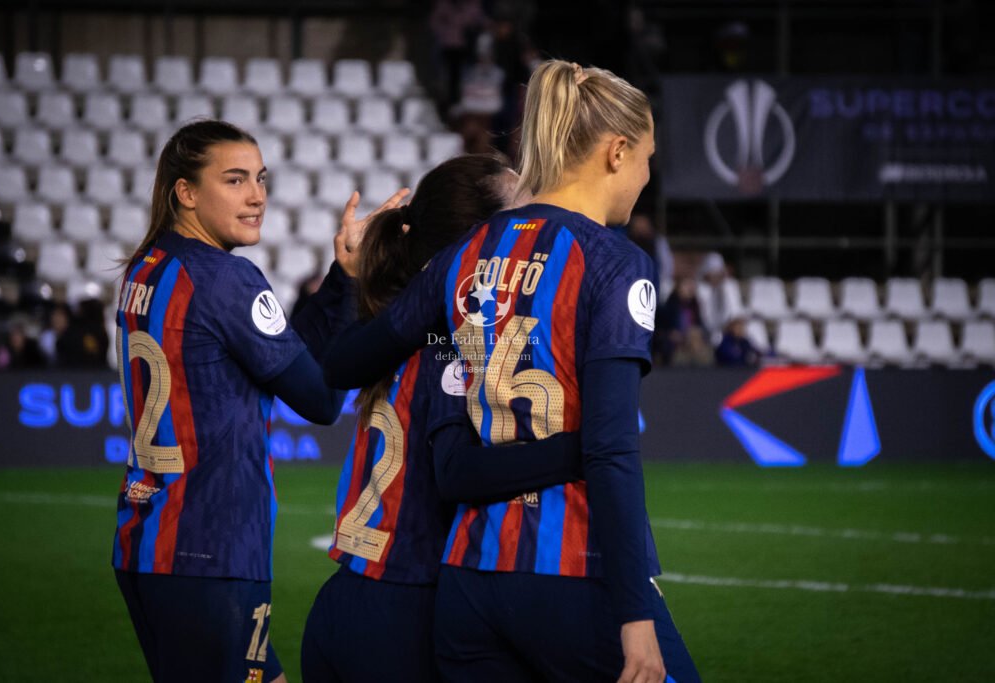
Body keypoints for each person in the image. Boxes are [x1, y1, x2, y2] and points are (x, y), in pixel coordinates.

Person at [322, 61, 700, 683]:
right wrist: (635, 614)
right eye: (646, 159)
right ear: (616, 152)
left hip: (469, 583)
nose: (646, 176)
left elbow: (344, 363)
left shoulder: (466, 253)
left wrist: (349, 278)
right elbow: (609, 450)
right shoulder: (616, 263)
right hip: (572, 570)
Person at [110, 120, 386, 683]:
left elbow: (280, 354)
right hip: (210, 547)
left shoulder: (148, 266)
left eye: (261, 179)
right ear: (186, 192)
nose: (257, 196)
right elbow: (320, 399)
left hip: (148, 540)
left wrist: (341, 279)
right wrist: (361, 294)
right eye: (234, 180)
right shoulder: (227, 278)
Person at [300, 154, 584, 682]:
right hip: (407, 614)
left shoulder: (388, 327)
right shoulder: (454, 345)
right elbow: (458, 474)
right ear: (481, 241)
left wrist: (345, 278)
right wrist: (585, 449)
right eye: (521, 213)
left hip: (341, 604)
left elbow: (323, 364)